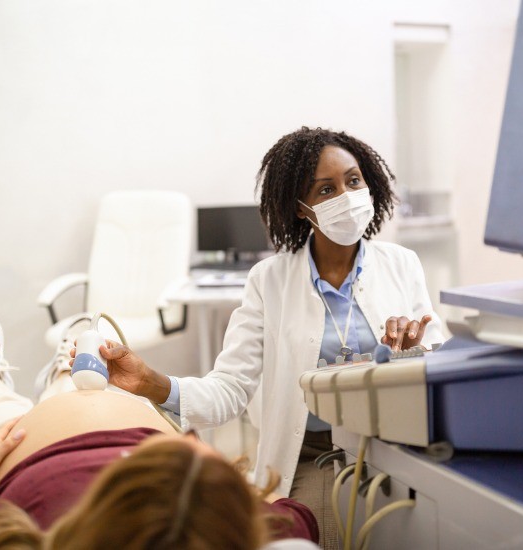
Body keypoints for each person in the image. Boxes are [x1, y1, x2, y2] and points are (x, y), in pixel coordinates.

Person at [86, 126, 446, 549]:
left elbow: (437, 360)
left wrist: (412, 355)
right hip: (314, 456)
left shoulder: (401, 264)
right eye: (325, 190)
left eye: (353, 181)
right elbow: (230, 389)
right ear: (300, 208)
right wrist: (149, 381)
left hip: (392, 448)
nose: (346, 197)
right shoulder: (269, 281)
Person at [0, 313, 318, 550]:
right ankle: (61, 372)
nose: (194, 440)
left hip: (18, 451)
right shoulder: (229, 530)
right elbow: (298, 516)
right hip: (116, 421)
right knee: (69, 385)